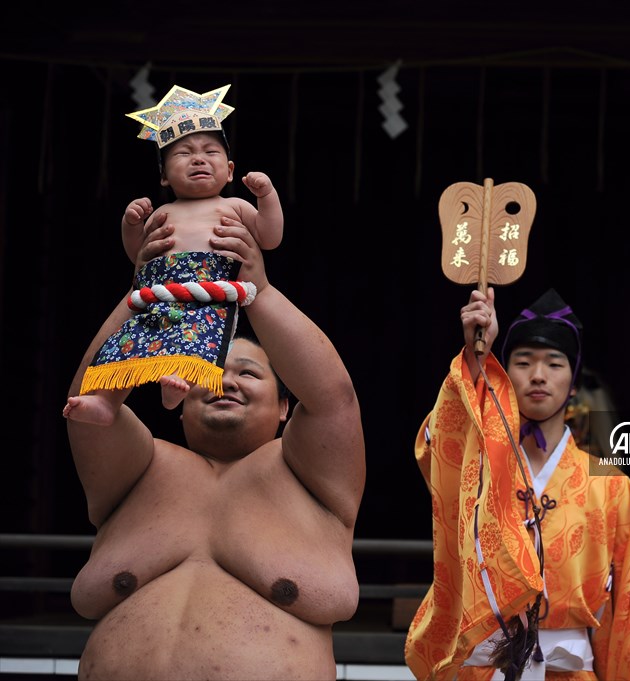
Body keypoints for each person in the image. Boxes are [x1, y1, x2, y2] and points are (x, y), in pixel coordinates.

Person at [64, 216, 364, 680]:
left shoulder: (312, 477)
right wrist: (145, 292)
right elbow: (87, 403)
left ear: (286, 406)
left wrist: (256, 288)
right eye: (207, 371)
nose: (226, 381)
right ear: (179, 399)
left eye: (248, 373)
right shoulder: (139, 470)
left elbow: (333, 398)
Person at [405, 288, 630, 680]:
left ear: (575, 382)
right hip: (482, 667)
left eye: (554, 364)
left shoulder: (609, 483)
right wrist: (477, 358)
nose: (538, 376)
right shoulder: (477, 468)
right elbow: (441, 444)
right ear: (504, 375)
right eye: (523, 362)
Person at [65, 84, 283, 426]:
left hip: (208, 292)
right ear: (165, 176)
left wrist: (267, 196)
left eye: (210, 152)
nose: (197, 158)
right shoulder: (161, 213)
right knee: (124, 346)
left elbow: (270, 238)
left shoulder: (235, 206)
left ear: (229, 170)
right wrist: (131, 224)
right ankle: (107, 404)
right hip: (157, 295)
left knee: (200, 347)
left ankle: (177, 391)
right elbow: (138, 257)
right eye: (183, 153)